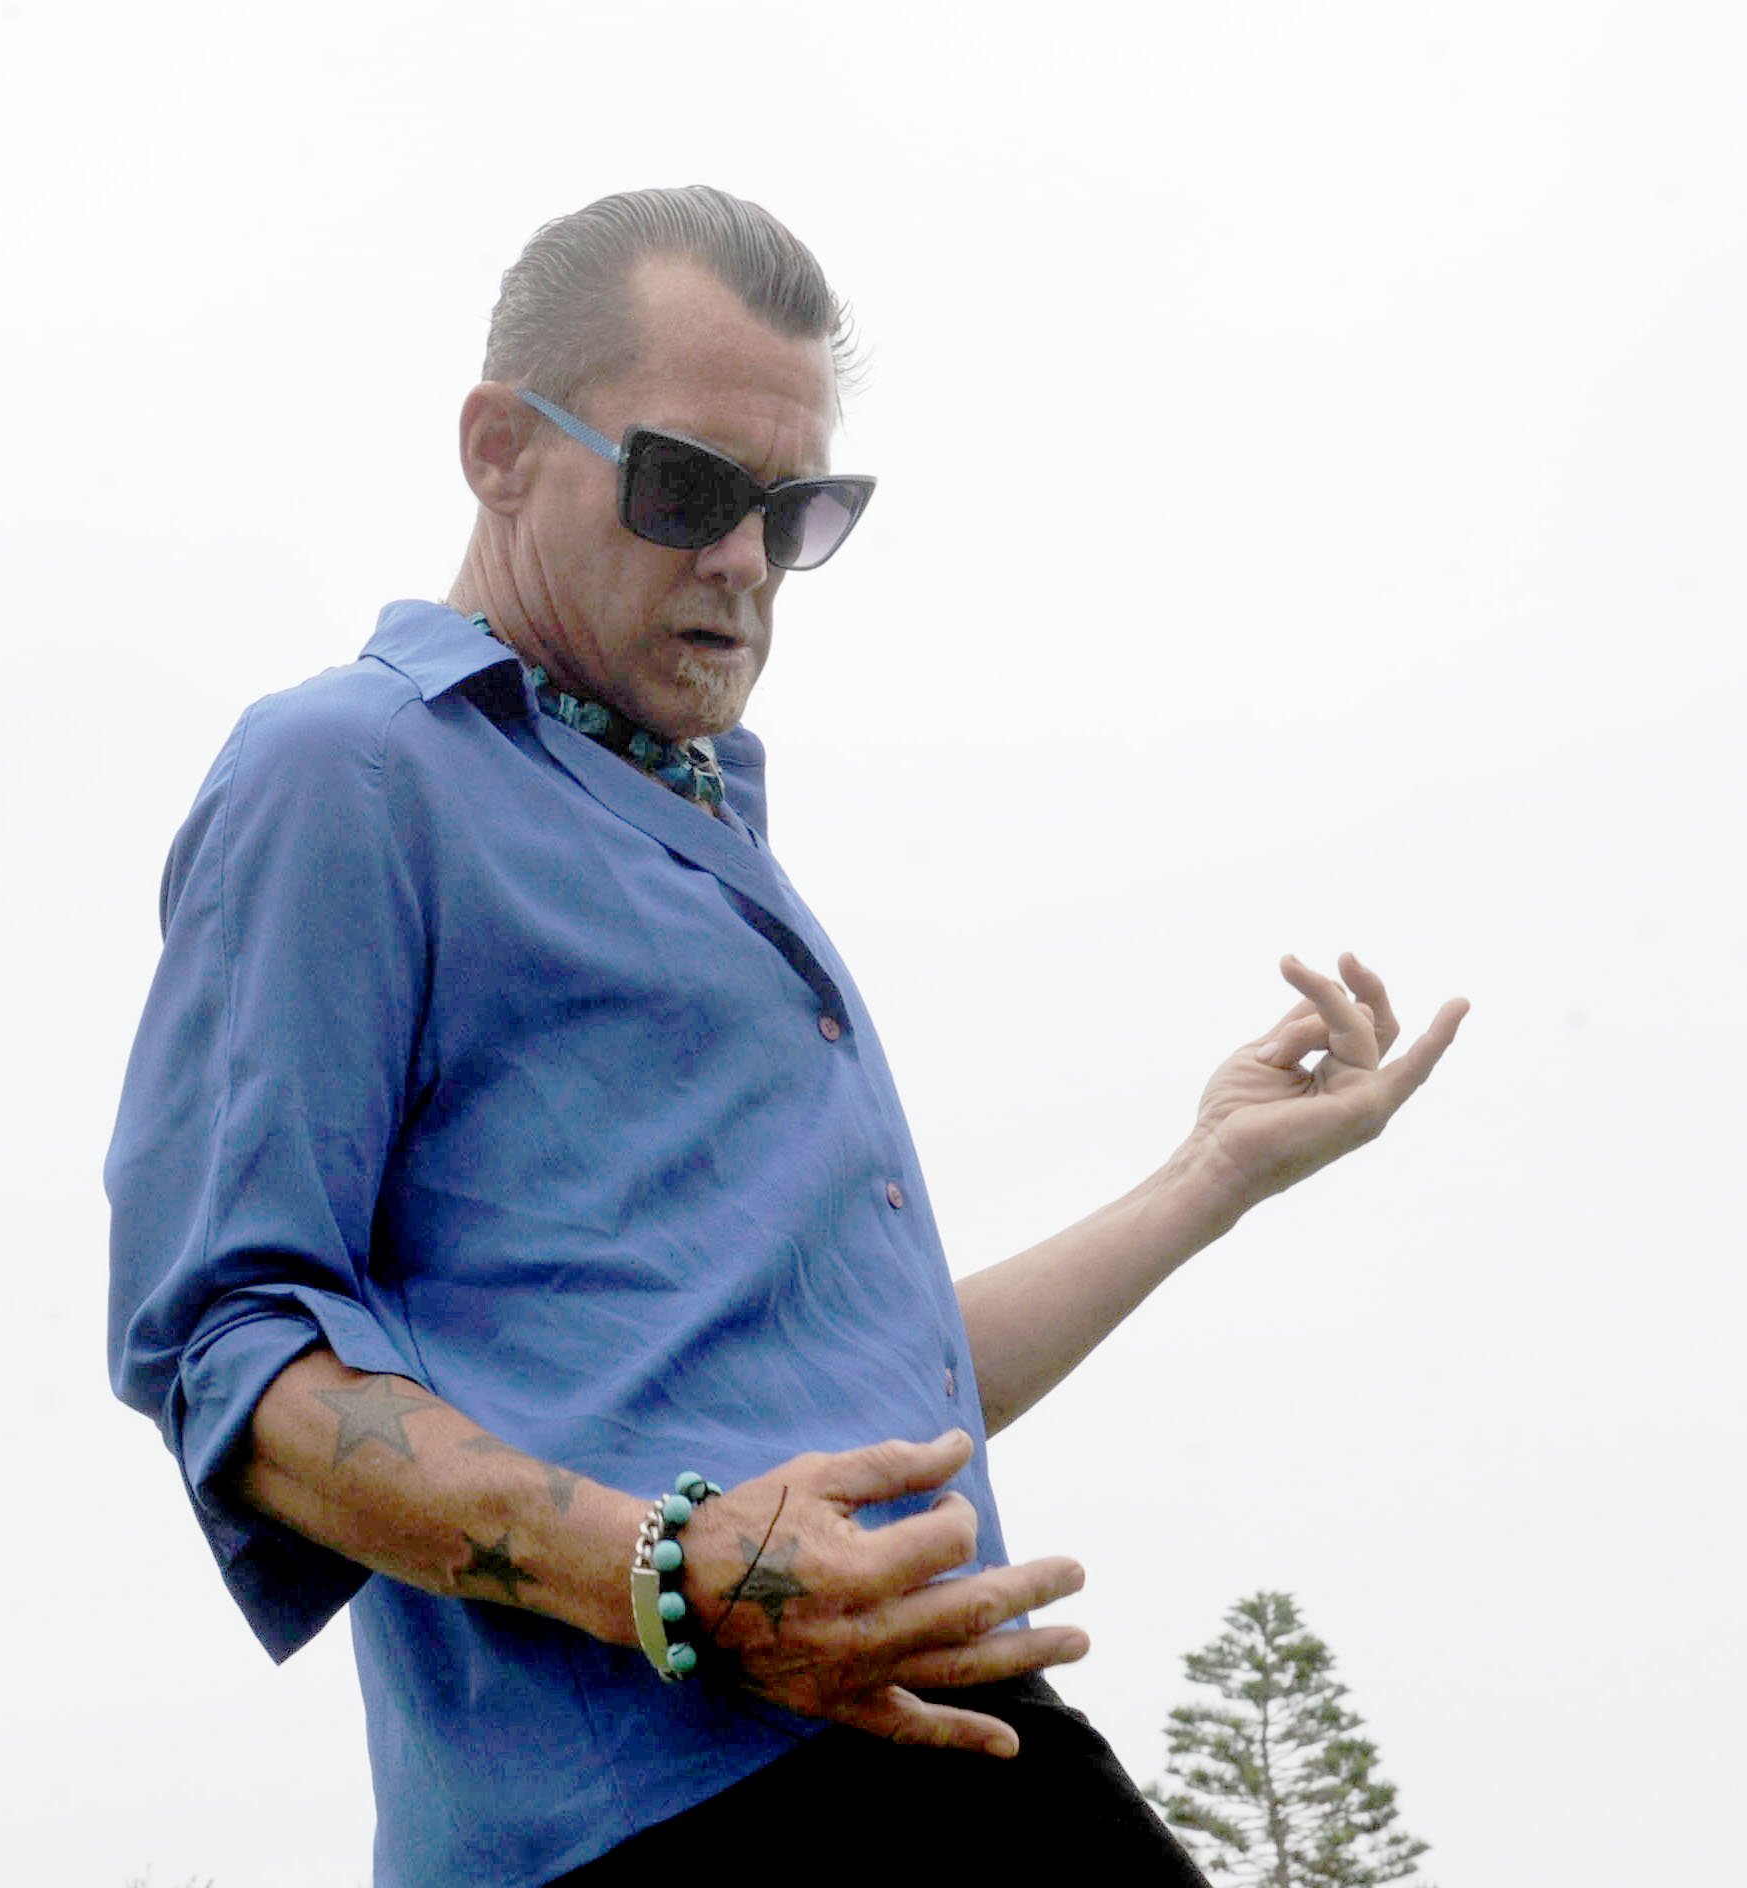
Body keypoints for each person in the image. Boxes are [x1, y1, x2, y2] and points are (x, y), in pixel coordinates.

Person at [103, 185, 1467, 1887]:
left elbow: (878, 1389)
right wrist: (667, 1575)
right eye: (684, 489)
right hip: (664, 1812)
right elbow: (226, 1345)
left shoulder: (705, 833)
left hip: (939, 1724)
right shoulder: (349, 770)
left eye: (793, 510)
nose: (741, 561)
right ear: (497, 451)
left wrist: (1209, 1176)